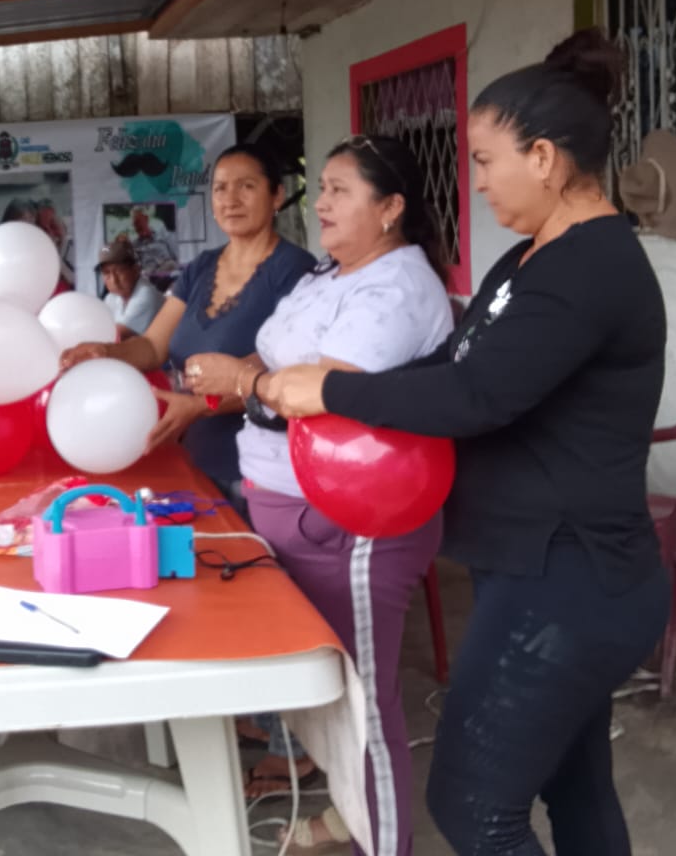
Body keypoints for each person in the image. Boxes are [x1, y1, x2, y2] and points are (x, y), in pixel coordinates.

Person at [257, 30, 669, 856]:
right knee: (575, 785)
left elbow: (480, 397)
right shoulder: (529, 261)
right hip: (533, 565)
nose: (474, 182)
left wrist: (331, 390)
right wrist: (335, 386)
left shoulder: (593, 268)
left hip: (573, 578)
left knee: (472, 803)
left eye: (484, 161)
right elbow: (453, 364)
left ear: (543, 158)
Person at [183, 136, 454, 856]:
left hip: (352, 519)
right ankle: (345, 815)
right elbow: (275, 355)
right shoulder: (330, 275)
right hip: (289, 506)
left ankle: (384, 843)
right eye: (322, 189)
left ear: (390, 208)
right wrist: (234, 374)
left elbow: (321, 395)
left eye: (340, 191)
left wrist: (242, 383)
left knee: (363, 700)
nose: (323, 204)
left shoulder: (394, 289)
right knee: (327, 694)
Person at [59, 143, 315, 500]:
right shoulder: (201, 267)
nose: (231, 199)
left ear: (277, 195)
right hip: (193, 461)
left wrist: (199, 407)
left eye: (247, 186)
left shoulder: (296, 269)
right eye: (220, 188)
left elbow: (284, 372)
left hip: (260, 474)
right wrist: (104, 352)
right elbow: (152, 347)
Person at [95, 235, 165, 335]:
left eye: (119, 271)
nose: (114, 280)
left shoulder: (146, 293)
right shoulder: (111, 298)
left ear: (136, 270)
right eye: (106, 273)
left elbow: (118, 335)